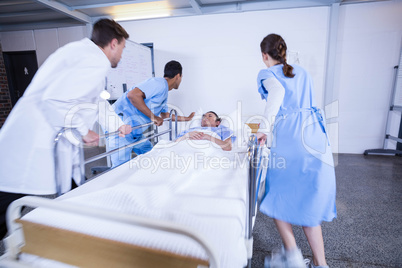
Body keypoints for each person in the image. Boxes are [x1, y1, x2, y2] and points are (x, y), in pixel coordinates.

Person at [0, 19, 132, 240]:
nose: (121, 54)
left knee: (63, 191)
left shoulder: (83, 53)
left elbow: (95, 100)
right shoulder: (95, 60)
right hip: (31, 145)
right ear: (113, 43)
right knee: (8, 203)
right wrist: (83, 130)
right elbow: (56, 99)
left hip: (43, 142)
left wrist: (117, 125)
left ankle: (73, 233)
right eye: (122, 48)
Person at [255, 34, 336, 268]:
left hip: (291, 139)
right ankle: (321, 264)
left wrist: (263, 129)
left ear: (264, 55)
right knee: (307, 202)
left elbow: (277, 95)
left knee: (275, 196)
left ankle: (292, 257)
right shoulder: (301, 71)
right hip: (314, 137)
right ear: (284, 52)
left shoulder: (267, 73)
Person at [107, 60, 195, 167]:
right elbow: (133, 95)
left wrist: (187, 118)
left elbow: (164, 115)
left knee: (151, 156)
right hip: (120, 129)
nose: (181, 80)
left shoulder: (164, 92)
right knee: (120, 170)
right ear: (178, 76)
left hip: (134, 133)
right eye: (181, 77)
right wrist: (153, 117)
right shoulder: (158, 83)